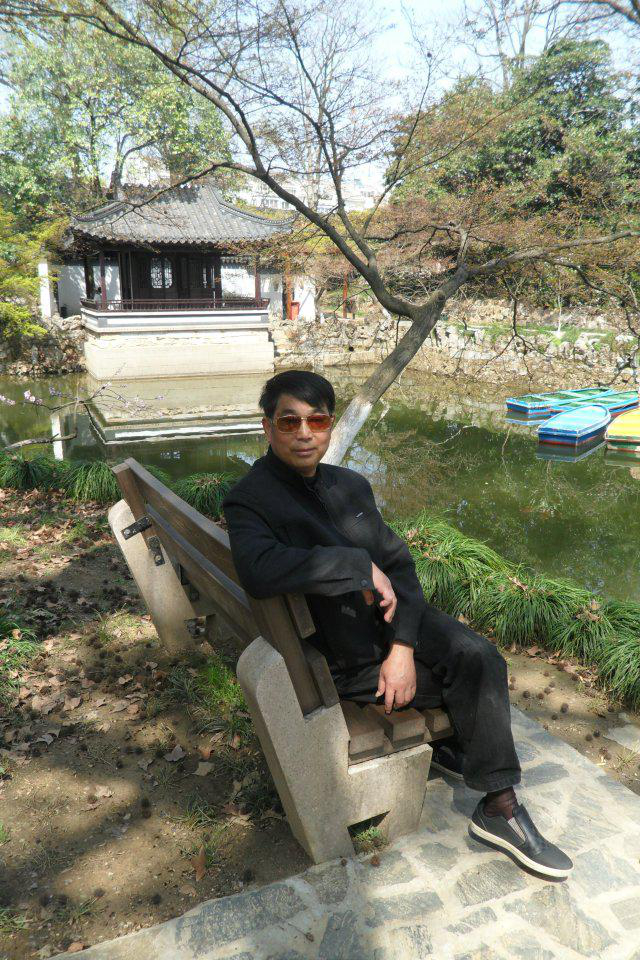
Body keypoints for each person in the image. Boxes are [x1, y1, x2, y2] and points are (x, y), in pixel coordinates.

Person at [223, 369, 573, 879]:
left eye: (317, 421)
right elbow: (259, 570)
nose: (304, 433)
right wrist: (354, 565)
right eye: (289, 421)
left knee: (480, 658)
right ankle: (500, 806)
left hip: (388, 626)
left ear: (330, 425)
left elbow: (400, 566)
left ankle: (475, 769)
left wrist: (403, 647)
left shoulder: (349, 485)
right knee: (473, 686)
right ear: (267, 427)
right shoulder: (251, 498)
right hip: (343, 655)